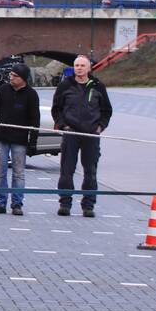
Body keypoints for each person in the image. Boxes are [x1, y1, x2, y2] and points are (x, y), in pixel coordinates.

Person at [51, 54, 112, 217]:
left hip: (91, 134)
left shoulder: (98, 86)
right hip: (71, 134)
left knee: (90, 171)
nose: (79, 68)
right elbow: (56, 109)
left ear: (89, 68)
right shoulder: (65, 85)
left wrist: (100, 127)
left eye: (82, 65)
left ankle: (88, 205)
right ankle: (65, 203)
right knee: (67, 170)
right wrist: (63, 125)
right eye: (77, 65)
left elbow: (107, 110)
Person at [0, 63, 40, 216]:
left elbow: (35, 120)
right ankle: (0, 203)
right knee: (0, 172)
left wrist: (33, 141)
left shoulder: (31, 95)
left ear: (23, 78)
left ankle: (17, 204)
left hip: (19, 139)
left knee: (18, 173)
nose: (11, 78)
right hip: (1, 137)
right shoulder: (3, 90)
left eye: (15, 76)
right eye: (11, 75)